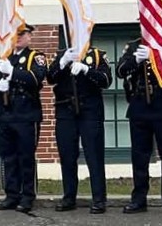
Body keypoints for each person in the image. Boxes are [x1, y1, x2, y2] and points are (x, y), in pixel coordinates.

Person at [0, 24, 47, 213]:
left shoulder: (36, 57)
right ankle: (11, 194)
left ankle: (27, 195)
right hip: (4, 113)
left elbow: (37, 79)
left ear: (29, 36)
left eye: (22, 34)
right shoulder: (1, 57)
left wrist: (13, 73)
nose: (18, 37)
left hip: (26, 114)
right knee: (8, 157)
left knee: (25, 157)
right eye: (15, 34)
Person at [117, 41, 162, 216]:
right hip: (140, 105)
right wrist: (136, 60)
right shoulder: (134, 46)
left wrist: (156, 57)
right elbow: (120, 71)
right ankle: (139, 199)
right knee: (139, 156)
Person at [48, 44, 112, 214]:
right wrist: (62, 63)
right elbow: (50, 78)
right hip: (65, 112)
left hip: (90, 111)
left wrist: (86, 70)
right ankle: (69, 197)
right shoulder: (63, 54)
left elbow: (106, 80)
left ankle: (99, 199)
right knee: (67, 156)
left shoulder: (97, 55)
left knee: (94, 157)